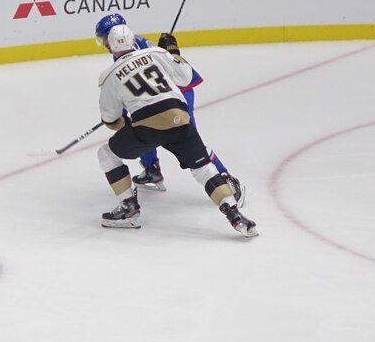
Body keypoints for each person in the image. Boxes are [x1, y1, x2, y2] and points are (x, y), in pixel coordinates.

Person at [94, 23, 257, 237]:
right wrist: (172, 54)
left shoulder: (109, 75)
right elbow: (186, 77)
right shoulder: (156, 53)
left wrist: (123, 121)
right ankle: (235, 215)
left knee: (107, 154)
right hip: (179, 118)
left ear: (111, 48)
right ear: (134, 41)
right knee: (204, 170)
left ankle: (128, 208)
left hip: (146, 127)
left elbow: (110, 119)